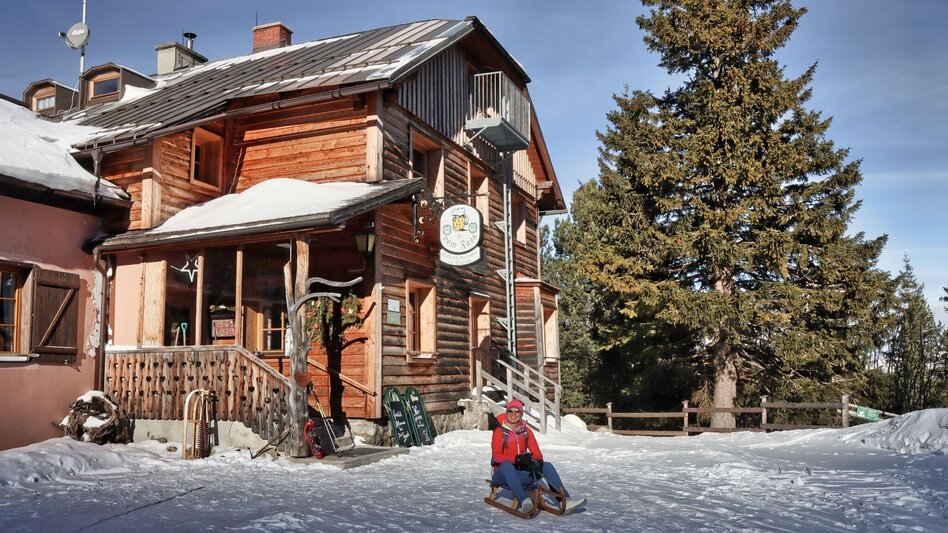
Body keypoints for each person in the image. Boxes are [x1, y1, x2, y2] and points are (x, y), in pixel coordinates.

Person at [490, 399, 570, 513]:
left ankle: (564, 499)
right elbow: (497, 456)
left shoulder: (526, 432)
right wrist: (517, 459)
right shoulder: (499, 431)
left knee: (546, 466)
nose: (513, 414)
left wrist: (537, 462)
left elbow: (537, 453)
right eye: (510, 411)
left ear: (521, 414)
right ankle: (524, 501)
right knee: (507, 465)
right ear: (506, 413)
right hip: (501, 475)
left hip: (519, 475)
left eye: (517, 411)